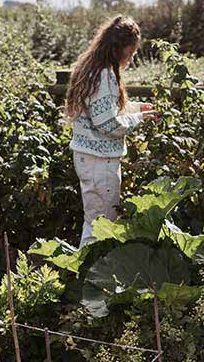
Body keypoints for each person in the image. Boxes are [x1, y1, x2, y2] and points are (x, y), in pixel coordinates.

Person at [65, 15, 156, 248]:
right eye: (131, 51)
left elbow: (103, 109)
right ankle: (87, 279)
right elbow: (108, 125)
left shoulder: (91, 68)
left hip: (89, 159)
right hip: (100, 163)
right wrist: (140, 118)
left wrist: (136, 107)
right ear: (119, 48)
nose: (132, 56)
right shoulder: (104, 74)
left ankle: (83, 278)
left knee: (94, 224)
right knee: (101, 228)